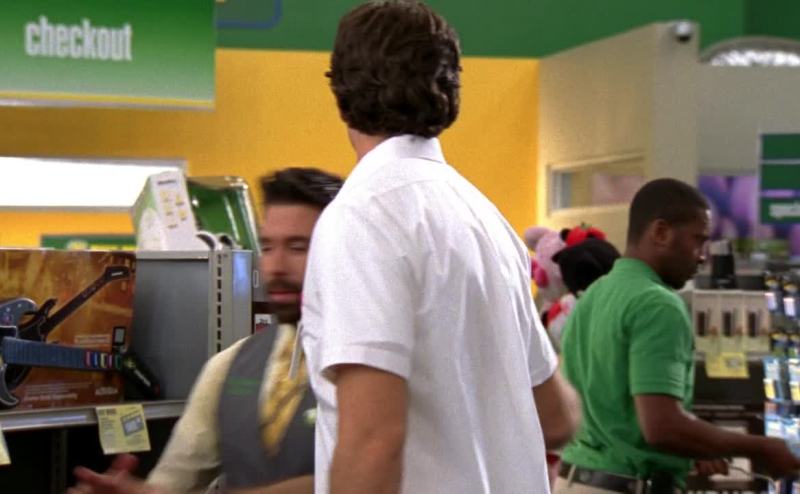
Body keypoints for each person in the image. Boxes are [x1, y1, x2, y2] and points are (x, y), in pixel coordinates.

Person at [299, 2, 580, 493]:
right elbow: (557, 417)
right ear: (450, 90)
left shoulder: (362, 218)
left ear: (340, 90)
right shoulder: (487, 221)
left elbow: (373, 440)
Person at [68, 167, 344, 494]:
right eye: (268, 247)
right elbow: (173, 483)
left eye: (299, 247)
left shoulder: (373, 368)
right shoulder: (228, 366)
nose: (276, 267)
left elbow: (357, 479)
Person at [555, 178, 800, 493]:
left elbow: (618, 415)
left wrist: (694, 447)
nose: (702, 256)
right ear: (660, 232)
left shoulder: (595, 295)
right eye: (698, 241)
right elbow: (663, 427)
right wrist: (762, 448)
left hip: (575, 480)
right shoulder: (659, 305)